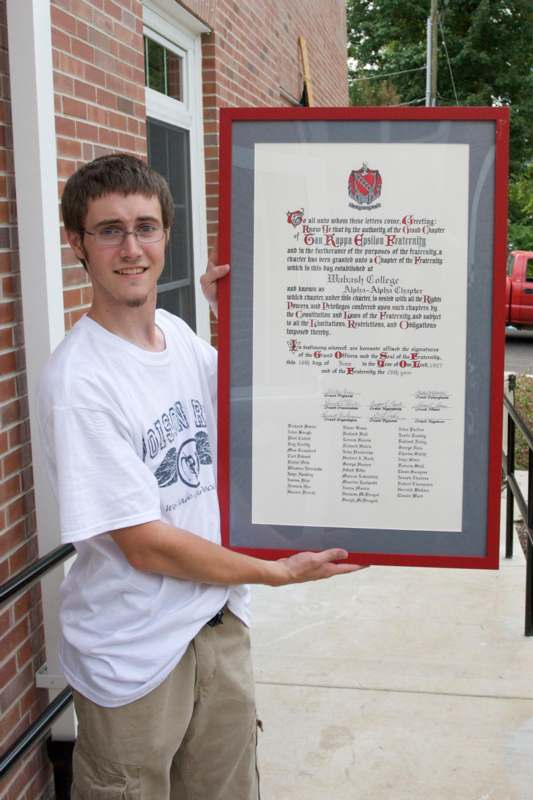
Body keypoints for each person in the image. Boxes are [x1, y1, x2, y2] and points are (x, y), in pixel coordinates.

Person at [38, 153, 367, 799]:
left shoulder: (177, 334)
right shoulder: (80, 381)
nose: (131, 248)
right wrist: (271, 571)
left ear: (166, 235)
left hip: (216, 623)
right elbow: (144, 542)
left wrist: (232, 314)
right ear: (76, 241)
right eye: (109, 230)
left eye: (146, 226)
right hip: (134, 657)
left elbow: (251, 404)